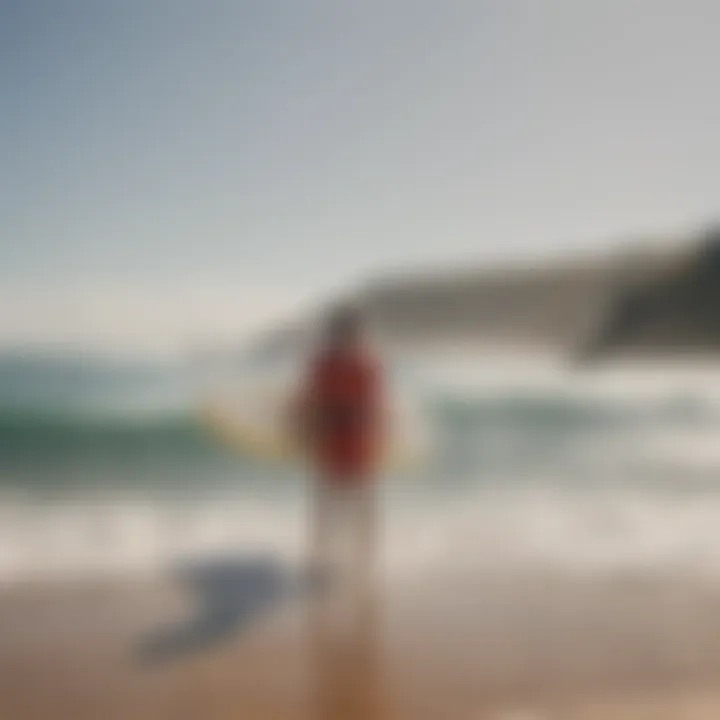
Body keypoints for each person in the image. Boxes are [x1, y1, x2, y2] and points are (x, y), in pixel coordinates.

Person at [290, 304, 385, 597]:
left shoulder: (360, 365)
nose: (346, 338)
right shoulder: (335, 365)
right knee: (334, 508)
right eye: (345, 332)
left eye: (348, 332)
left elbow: (371, 407)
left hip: (352, 445)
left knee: (353, 508)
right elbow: (311, 404)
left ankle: (358, 563)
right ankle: (330, 562)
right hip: (339, 446)